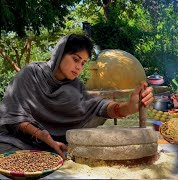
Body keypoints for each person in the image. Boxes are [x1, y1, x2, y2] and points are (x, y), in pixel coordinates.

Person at [0, 34, 154, 159]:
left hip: (55, 148)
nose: (78, 68)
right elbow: (14, 116)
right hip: (19, 142)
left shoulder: (74, 86)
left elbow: (98, 106)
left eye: (83, 63)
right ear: (60, 54)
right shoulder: (31, 74)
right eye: (75, 59)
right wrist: (43, 136)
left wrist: (127, 107)